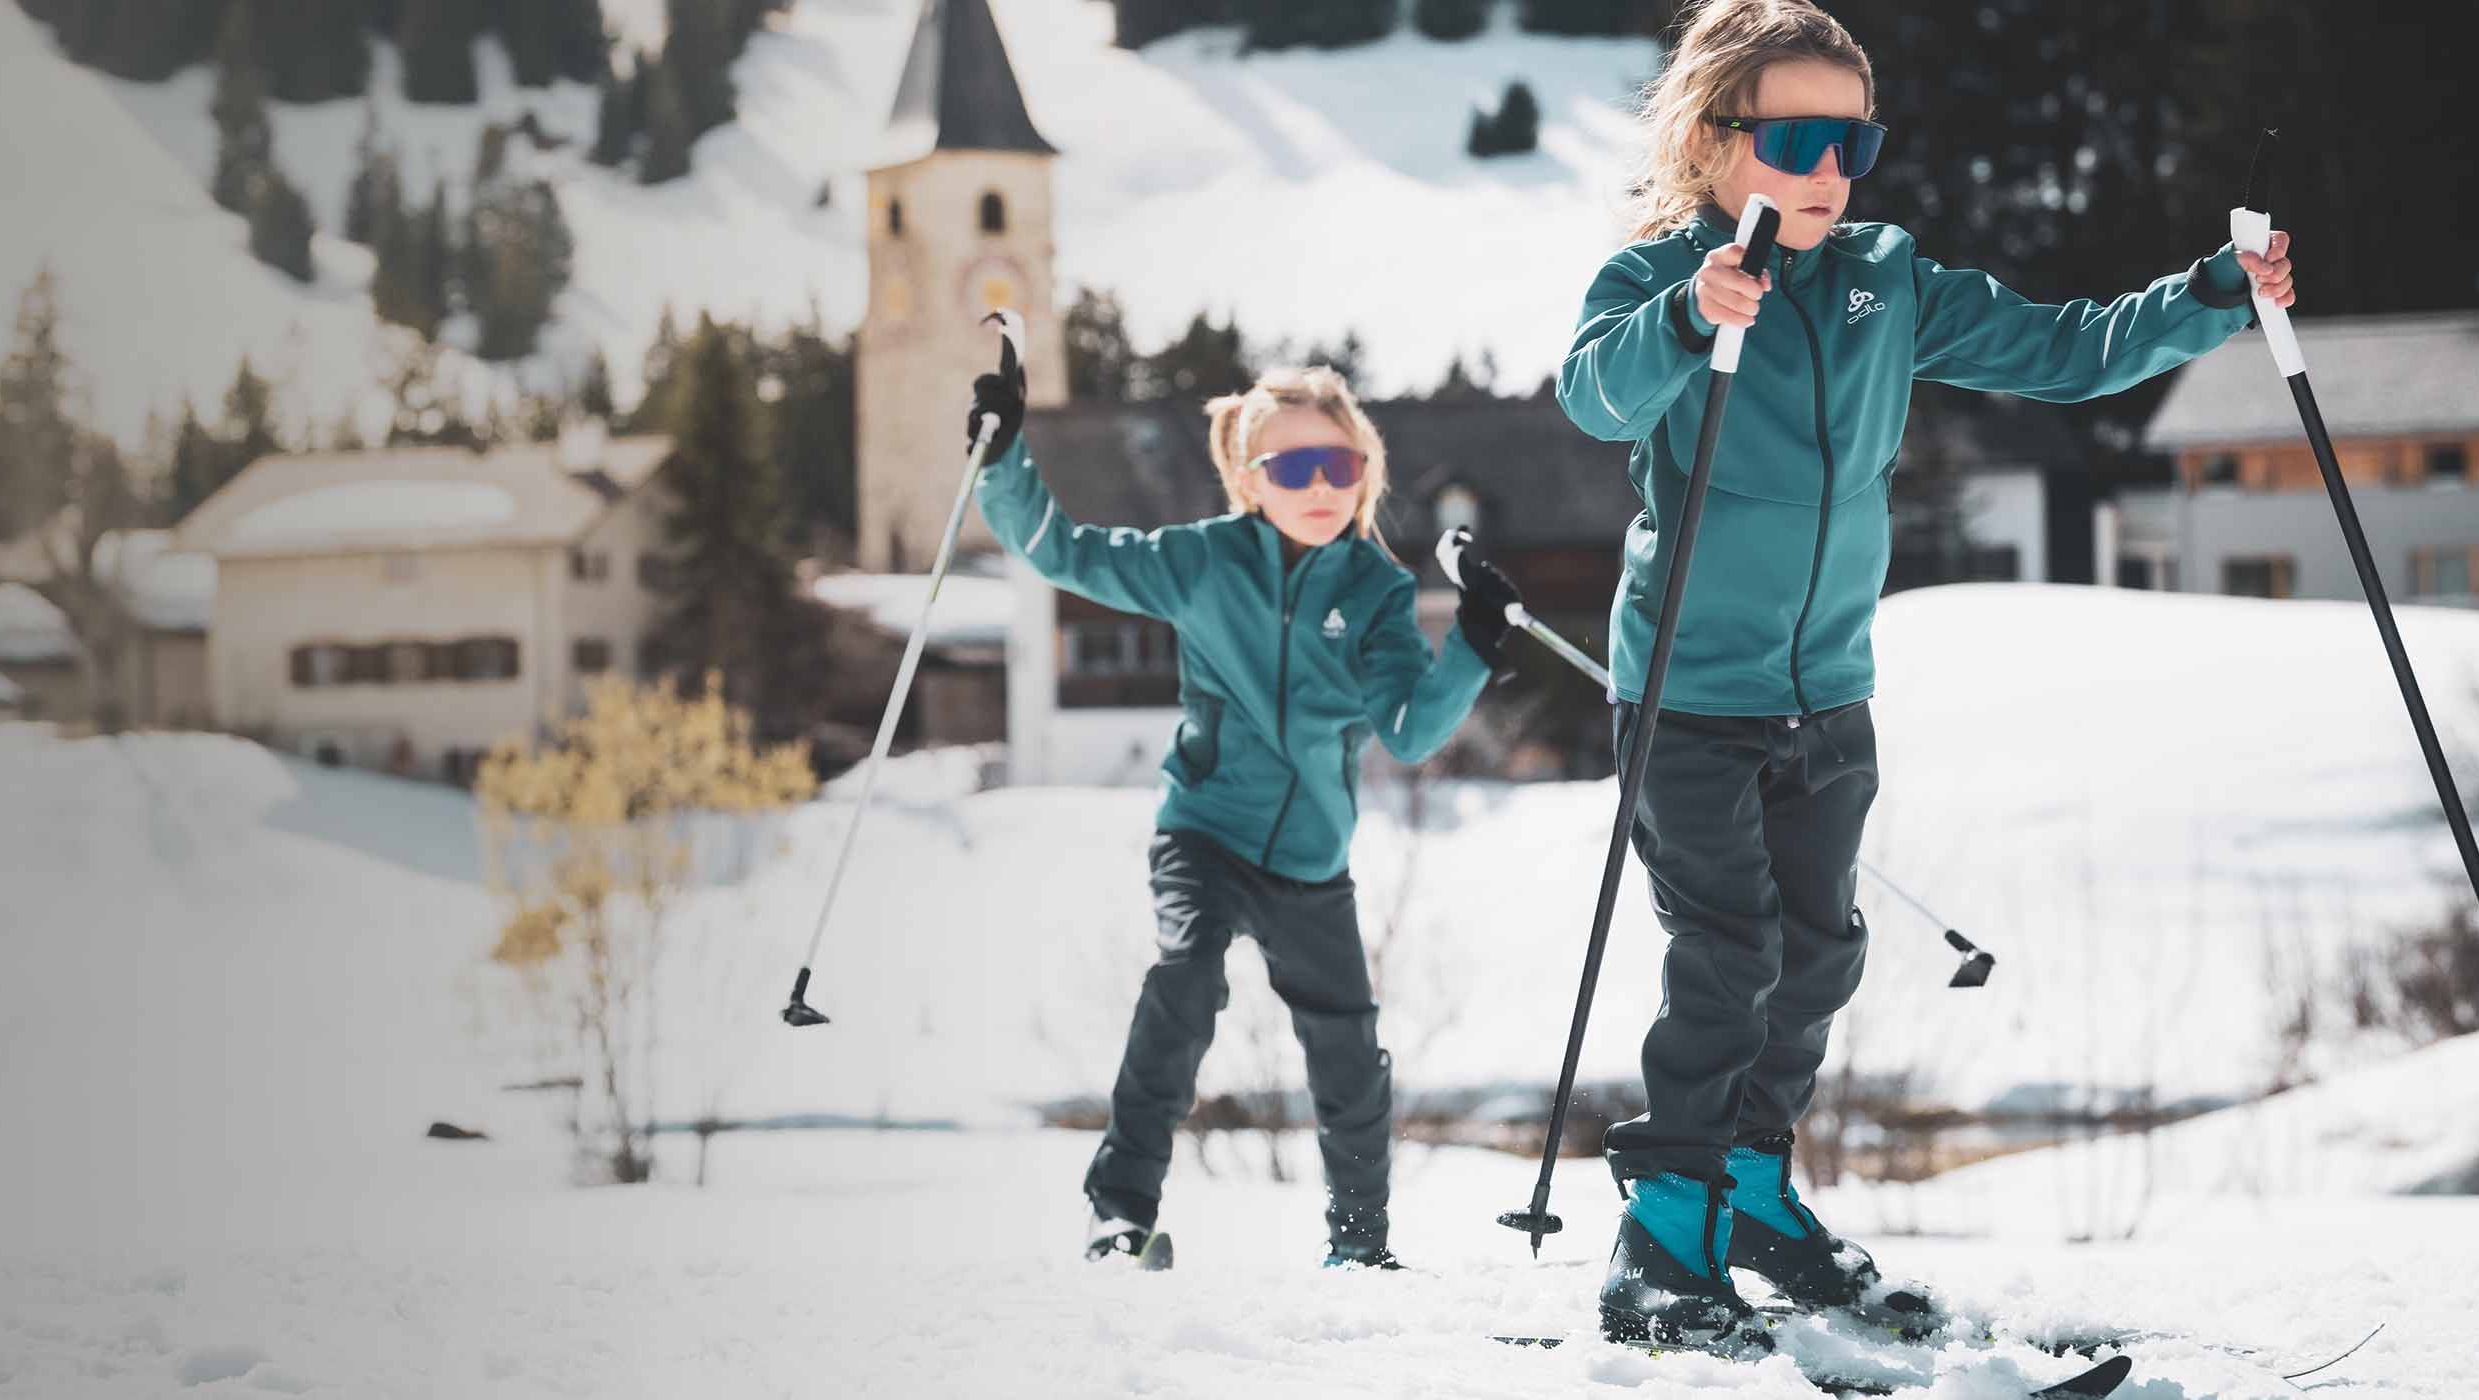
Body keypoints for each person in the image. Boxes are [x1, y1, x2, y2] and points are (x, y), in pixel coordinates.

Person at [1553, 0, 2296, 1354]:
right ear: (1715, 141)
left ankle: (1755, 1194)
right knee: (1727, 956)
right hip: (1688, 693)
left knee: (1821, 955)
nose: (1830, 168)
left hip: (1828, 686)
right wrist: (1686, 311)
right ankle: (1661, 1246)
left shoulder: (1885, 276)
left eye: (1853, 139)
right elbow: (1595, 395)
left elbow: (2065, 348)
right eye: (1795, 137)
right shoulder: (1659, 277)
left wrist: (2204, 299)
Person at [967, 355, 1514, 1272]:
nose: (1321, 488)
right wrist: (1006, 451)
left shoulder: (1375, 590)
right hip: (1206, 832)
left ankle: (1361, 1244)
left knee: (1345, 1048)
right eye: (1295, 469)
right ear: (1249, 478)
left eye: (1340, 468)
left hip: (1309, 857)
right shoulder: (1202, 561)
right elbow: (1059, 550)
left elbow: (1413, 729)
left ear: (1365, 474)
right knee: (1184, 985)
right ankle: (1120, 1212)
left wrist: (1472, 643)